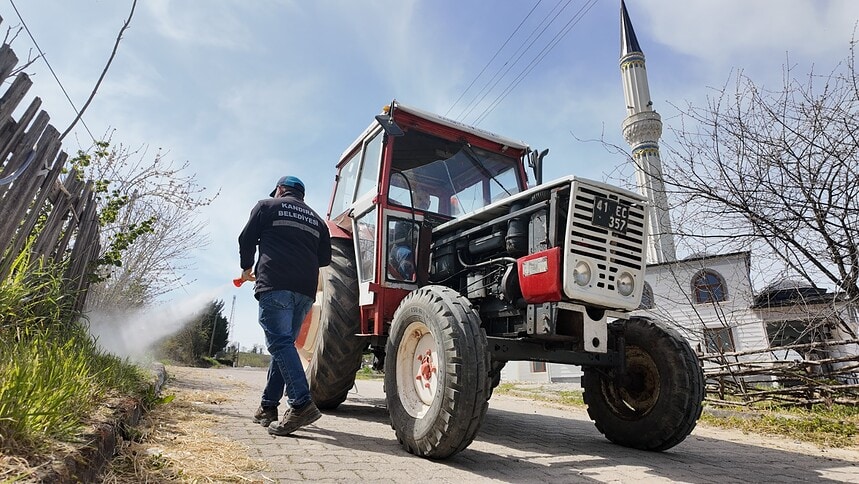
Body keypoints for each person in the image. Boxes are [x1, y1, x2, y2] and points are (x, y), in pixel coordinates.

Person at [237, 175, 331, 436]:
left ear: (280, 189)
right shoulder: (317, 220)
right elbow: (324, 259)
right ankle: (268, 406)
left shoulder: (266, 206)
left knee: (279, 344)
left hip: (276, 283)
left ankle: (301, 403)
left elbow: (246, 239)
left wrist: (246, 268)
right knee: (285, 346)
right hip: (304, 291)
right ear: (302, 194)